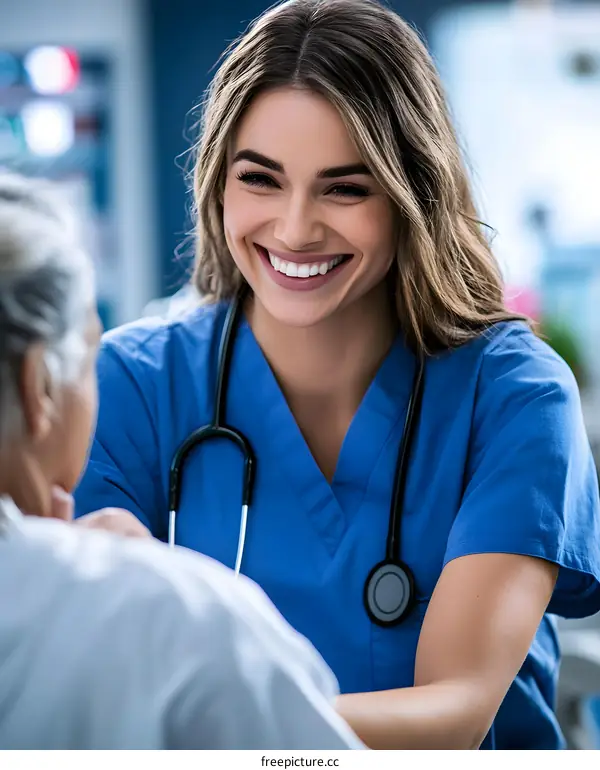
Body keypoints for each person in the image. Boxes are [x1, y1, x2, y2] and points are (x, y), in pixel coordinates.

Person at [74, 0, 600, 751]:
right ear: (218, 183)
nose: (293, 228)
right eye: (260, 179)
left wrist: (207, 727)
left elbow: (451, 716)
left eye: (345, 188)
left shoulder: (514, 398)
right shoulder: (131, 387)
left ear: (412, 192)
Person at [0, 170, 364, 751]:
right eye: (93, 349)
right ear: (38, 384)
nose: (297, 229)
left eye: (346, 188)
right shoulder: (187, 626)